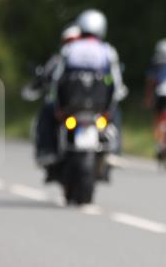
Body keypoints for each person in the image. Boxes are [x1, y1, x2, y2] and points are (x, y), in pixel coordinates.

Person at [34, 10, 126, 165]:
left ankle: (46, 150)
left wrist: (57, 104)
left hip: (71, 106)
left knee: (46, 113)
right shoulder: (107, 51)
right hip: (99, 107)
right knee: (117, 113)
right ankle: (115, 151)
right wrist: (111, 105)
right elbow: (116, 82)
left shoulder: (69, 49)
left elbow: (57, 78)